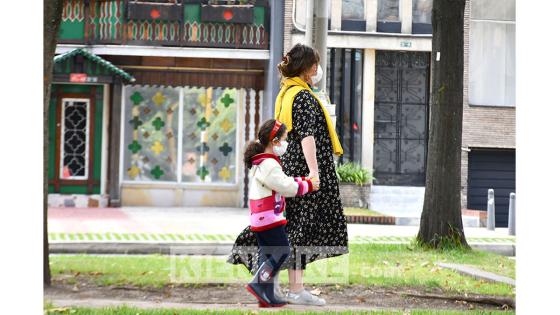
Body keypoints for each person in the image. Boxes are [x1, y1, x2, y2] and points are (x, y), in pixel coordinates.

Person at [228, 43, 349, 306]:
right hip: (306, 169)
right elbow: (306, 136)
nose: (317, 68)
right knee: (300, 229)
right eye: (314, 64)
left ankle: (283, 287)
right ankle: (287, 287)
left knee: (296, 227)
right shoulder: (303, 97)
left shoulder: (288, 93)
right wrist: (314, 175)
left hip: (294, 166)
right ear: (304, 67)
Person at [243, 118, 319, 308]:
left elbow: (283, 181)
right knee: (282, 251)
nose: (286, 144)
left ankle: (267, 297)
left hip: (261, 218)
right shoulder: (269, 165)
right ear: (274, 141)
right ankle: (258, 283)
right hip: (268, 218)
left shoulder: (265, 163)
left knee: (269, 255)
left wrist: (302, 179)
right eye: (284, 139)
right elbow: (286, 187)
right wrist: (309, 185)